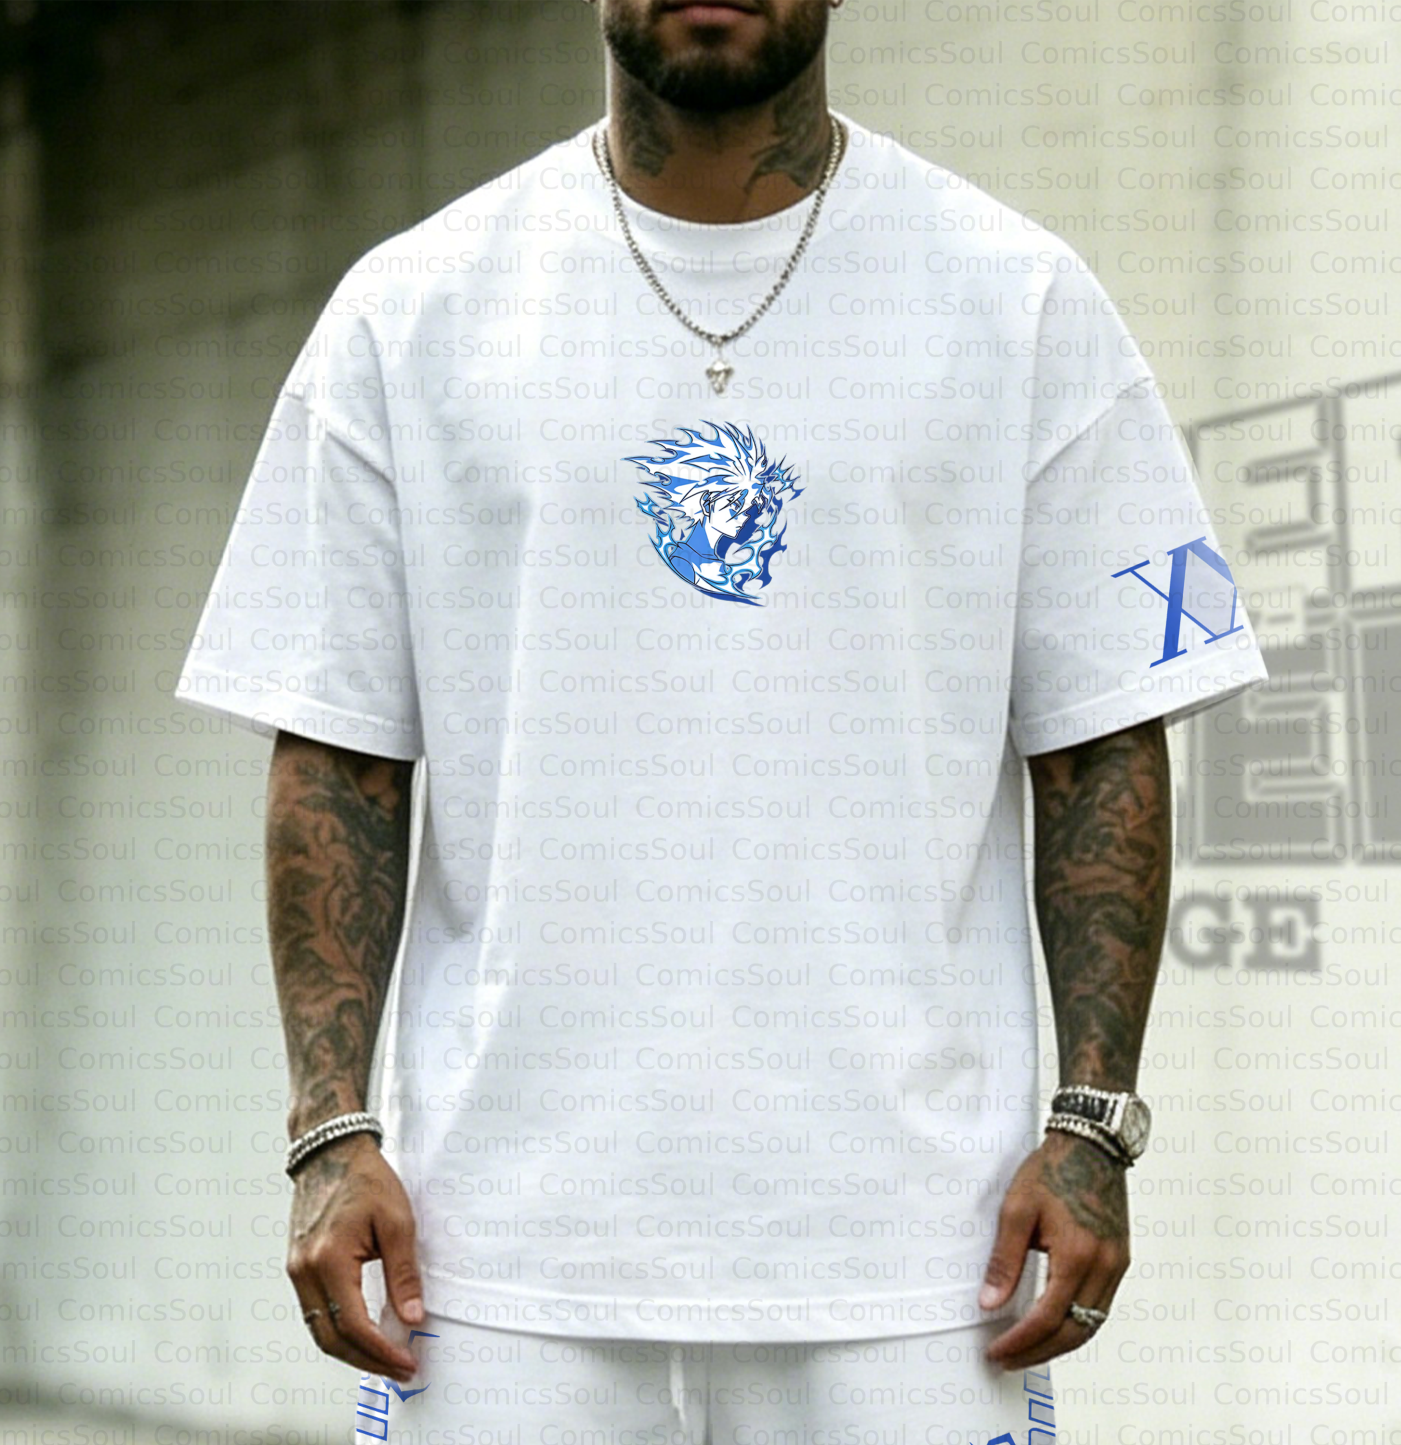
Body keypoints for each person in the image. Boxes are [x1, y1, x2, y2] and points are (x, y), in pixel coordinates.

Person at [174, 1, 1270, 1439]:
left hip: (918, 1260)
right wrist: (329, 1128)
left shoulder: (1017, 299)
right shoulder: (413, 308)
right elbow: (338, 754)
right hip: (496, 1263)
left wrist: (1093, 1126)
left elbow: (1104, 739)